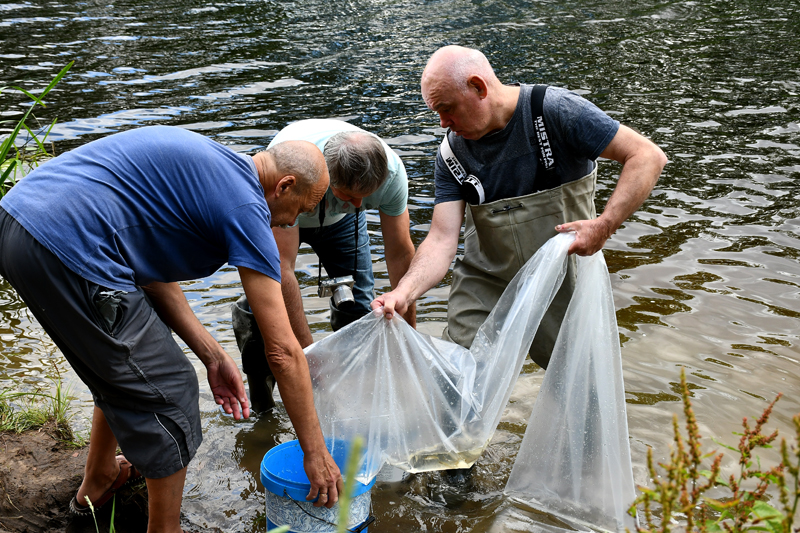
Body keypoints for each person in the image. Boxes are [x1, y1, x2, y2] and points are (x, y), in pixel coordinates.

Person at [0, 125, 343, 533]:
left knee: (130, 371)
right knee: (172, 390)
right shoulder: (248, 208)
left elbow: (150, 275)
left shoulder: (219, 169)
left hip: (18, 224)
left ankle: (100, 479)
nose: (294, 221)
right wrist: (315, 452)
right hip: (69, 244)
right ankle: (165, 529)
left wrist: (213, 356)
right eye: (302, 209)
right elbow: (283, 352)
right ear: (284, 186)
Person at [374, 45, 668, 370]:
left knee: (580, 387)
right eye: (437, 113)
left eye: (447, 109)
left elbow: (646, 156)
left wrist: (605, 224)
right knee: (458, 381)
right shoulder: (450, 155)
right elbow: (442, 239)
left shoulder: (554, 111)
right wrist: (404, 292)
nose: (444, 122)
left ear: (478, 87)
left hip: (562, 282)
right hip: (487, 282)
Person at [233, 119, 416, 411]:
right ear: (327, 177)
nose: (358, 205)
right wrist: (310, 356)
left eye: (364, 198)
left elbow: (400, 253)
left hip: (341, 225)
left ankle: (357, 402)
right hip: (287, 208)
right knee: (266, 311)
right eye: (349, 195)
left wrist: (409, 338)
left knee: (359, 304)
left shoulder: (391, 175)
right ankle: (260, 408)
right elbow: (282, 269)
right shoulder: (296, 174)